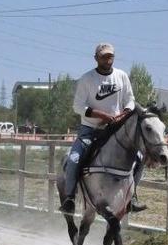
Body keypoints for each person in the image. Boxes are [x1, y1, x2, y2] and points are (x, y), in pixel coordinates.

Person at [62, 42, 146, 214]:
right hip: (90, 129)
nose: (108, 59)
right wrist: (101, 116)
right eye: (104, 56)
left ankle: (131, 197)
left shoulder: (122, 76)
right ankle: (69, 198)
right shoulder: (87, 79)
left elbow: (130, 100)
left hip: (116, 129)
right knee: (74, 159)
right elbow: (78, 106)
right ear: (96, 58)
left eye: (110, 56)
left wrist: (123, 114)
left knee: (139, 157)